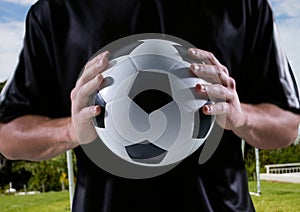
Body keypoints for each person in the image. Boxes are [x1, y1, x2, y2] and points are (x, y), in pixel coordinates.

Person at [0, 0, 299, 211]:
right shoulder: (56, 11)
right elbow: (8, 136)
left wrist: (241, 116)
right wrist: (71, 130)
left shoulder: (243, 6)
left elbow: (287, 125)